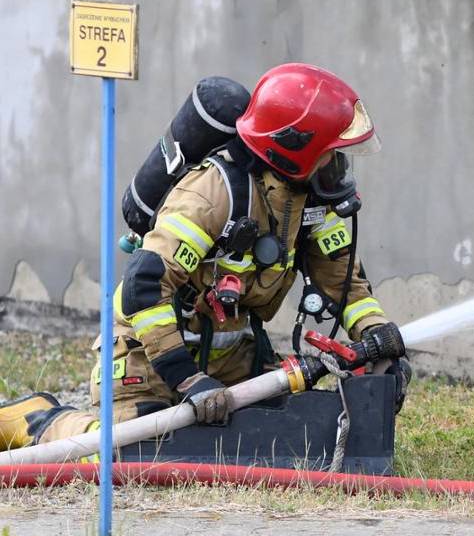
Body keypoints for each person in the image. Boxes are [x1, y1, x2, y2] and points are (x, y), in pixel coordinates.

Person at [0, 63, 410, 451]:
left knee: (271, 449)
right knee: (130, 456)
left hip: (236, 362)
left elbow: (345, 287)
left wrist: (380, 342)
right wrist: (188, 380)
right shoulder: (211, 195)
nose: (338, 169)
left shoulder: (310, 203)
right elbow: (144, 288)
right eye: (331, 155)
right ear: (292, 151)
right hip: (153, 361)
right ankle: (34, 419)